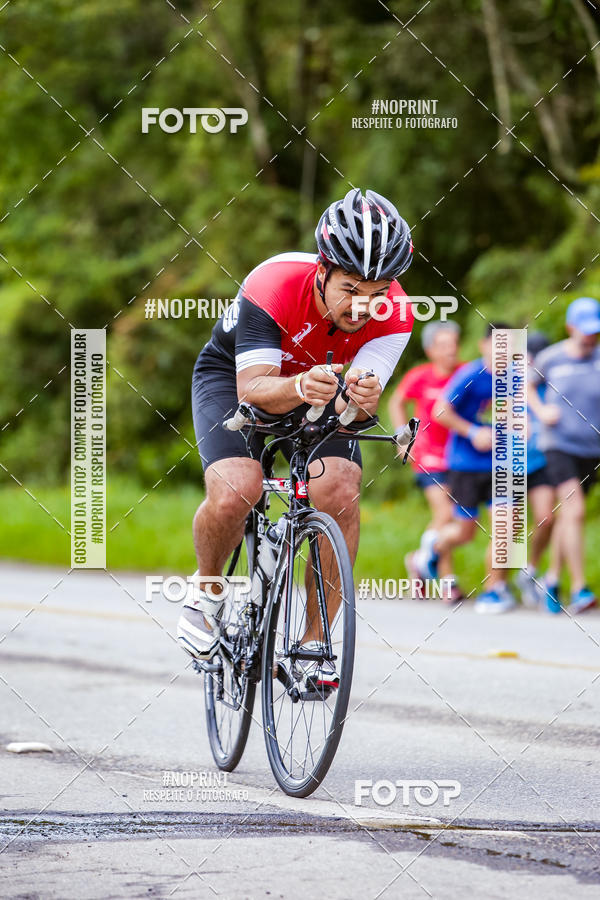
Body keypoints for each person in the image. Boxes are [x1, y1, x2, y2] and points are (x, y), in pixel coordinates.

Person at [177, 188, 414, 692]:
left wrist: (360, 399)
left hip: (318, 384)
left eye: (377, 291)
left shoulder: (396, 313)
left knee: (341, 487)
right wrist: (301, 386)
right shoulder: (275, 283)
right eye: (351, 289)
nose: (364, 307)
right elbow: (255, 391)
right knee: (239, 488)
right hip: (239, 377)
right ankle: (206, 591)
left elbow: (355, 409)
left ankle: (314, 640)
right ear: (323, 271)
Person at [408, 322, 518, 614]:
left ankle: (495, 591)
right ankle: (431, 549)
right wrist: (472, 432)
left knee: (506, 528)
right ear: (484, 346)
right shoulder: (470, 375)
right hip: (466, 465)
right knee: (465, 533)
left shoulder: (517, 379)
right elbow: (440, 411)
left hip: (502, 464)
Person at [528, 297, 600, 614]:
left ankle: (552, 577)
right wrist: (542, 410)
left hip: (591, 448)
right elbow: (525, 386)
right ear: (571, 328)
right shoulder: (551, 357)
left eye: (596, 331)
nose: (591, 337)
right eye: (586, 331)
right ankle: (580, 588)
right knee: (576, 509)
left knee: (570, 515)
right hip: (557, 443)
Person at [392, 320, 465, 602]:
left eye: (454, 344)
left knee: (456, 519)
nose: (451, 350)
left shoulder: (465, 373)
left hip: (459, 458)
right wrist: (403, 438)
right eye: (443, 345)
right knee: (445, 514)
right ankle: (447, 582)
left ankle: (418, 561)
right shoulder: (421, 376)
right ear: (430, 349)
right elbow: (396, 401)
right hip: (427, 456)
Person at [515, 332, 555, 609]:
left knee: (546, 519)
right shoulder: (506, 382)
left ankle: (530, 569)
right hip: (512, 461)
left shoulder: (552, 384)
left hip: (542, 461)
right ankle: (497, 585)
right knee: (510, 527)